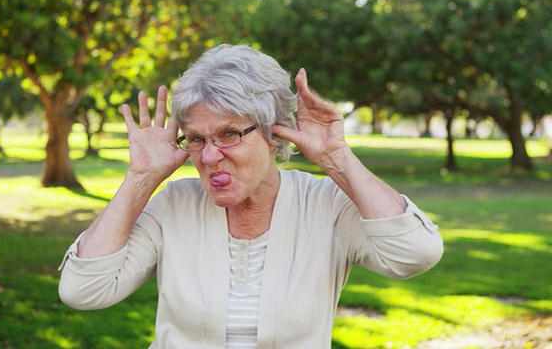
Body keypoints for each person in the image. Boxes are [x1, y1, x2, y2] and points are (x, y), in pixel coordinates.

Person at [58, 44, 443, 348]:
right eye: (196, 138)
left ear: (274, 134)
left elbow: (415, 254)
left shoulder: (326, 206)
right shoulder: (174, 205)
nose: (209, 156)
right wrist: (141, 179)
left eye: (229, 134)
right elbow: (83, 291)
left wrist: (337, 159)